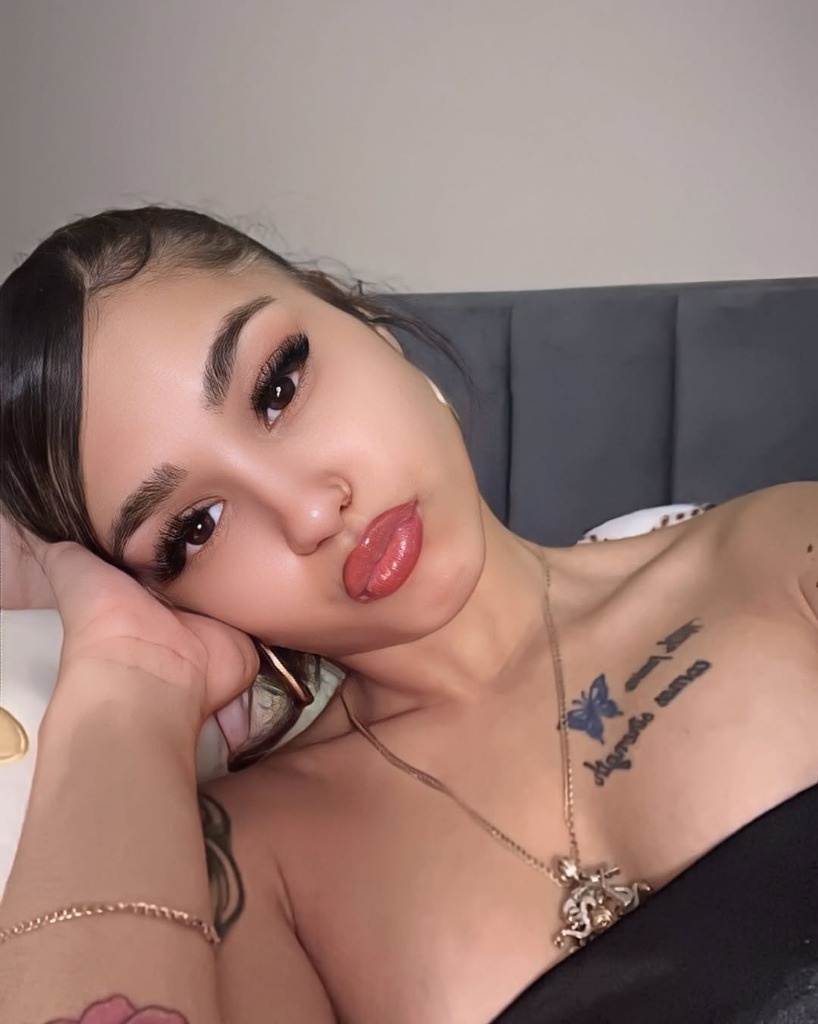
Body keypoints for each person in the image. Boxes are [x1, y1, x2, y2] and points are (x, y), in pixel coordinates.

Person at [0, 207, 816, 1024]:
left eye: (278, 388)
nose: (309, 512)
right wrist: (129, 682)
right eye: (195, 529)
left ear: (361, 319)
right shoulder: (260, 863)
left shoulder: (781, 555)